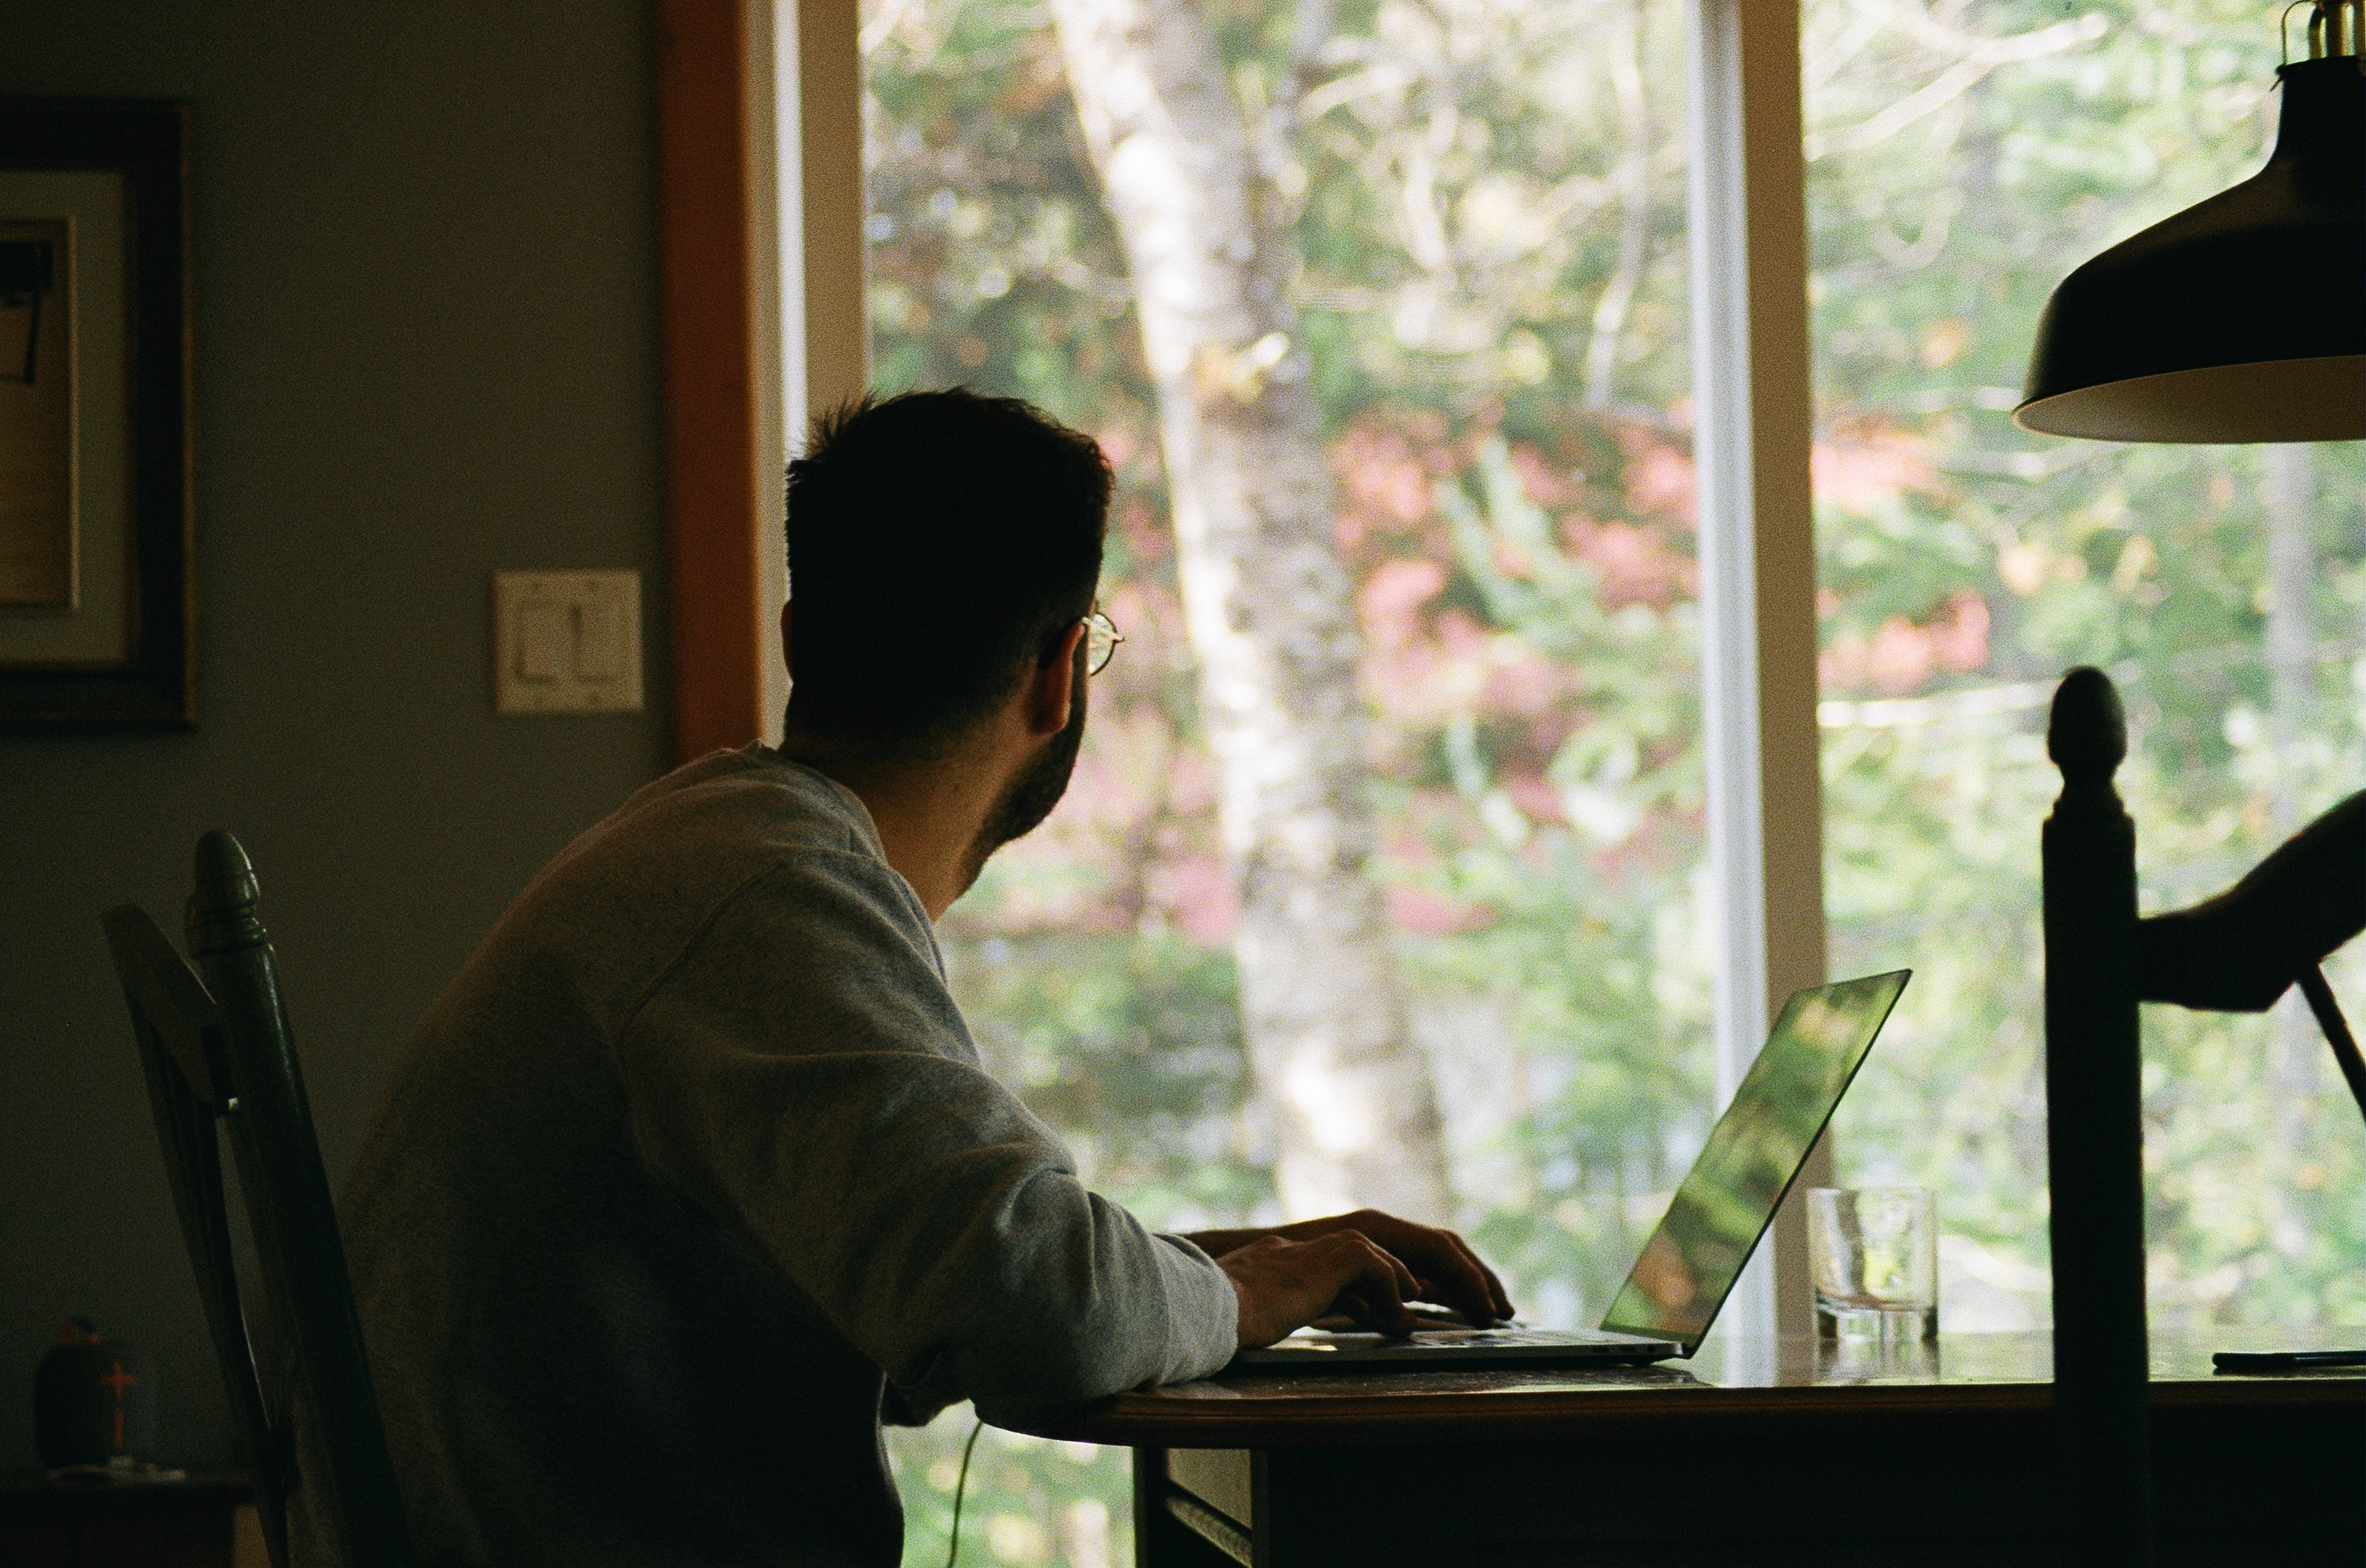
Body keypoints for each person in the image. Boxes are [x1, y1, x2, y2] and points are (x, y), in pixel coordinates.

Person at [290, 389, 1511, 1567]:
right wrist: (1232, 1302)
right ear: (1059, 677)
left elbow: (957, 1271)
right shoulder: (764, 890)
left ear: (792, 640)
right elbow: (1035, 1310)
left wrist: (1214, 1274)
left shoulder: (711, 852)